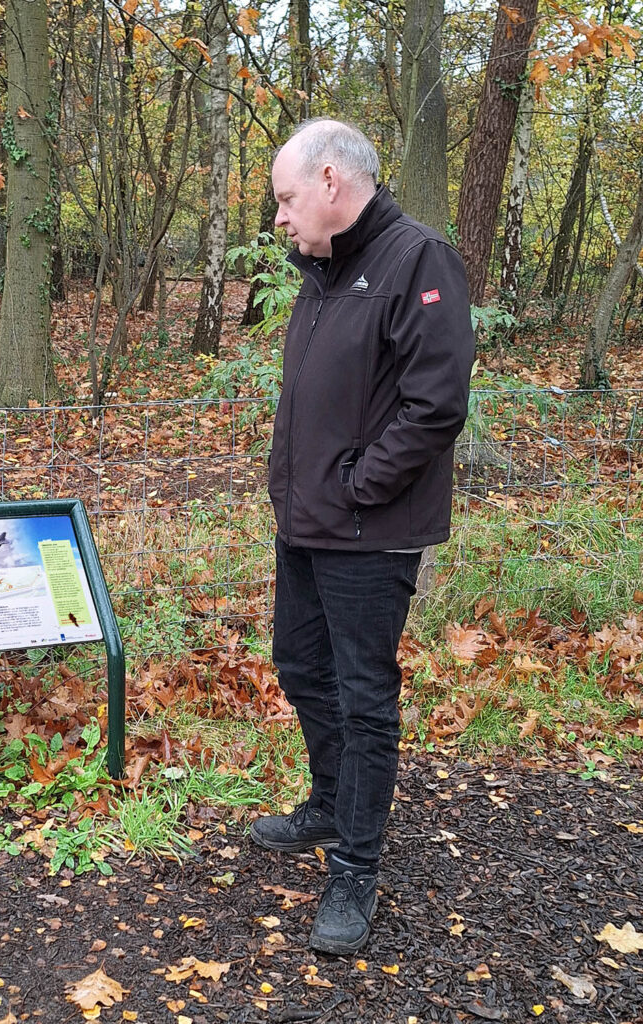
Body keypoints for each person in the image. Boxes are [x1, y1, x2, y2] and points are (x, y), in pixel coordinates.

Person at [250, 119, 475, 955]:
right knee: (302, 667)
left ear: (333, 181)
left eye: (286, 197)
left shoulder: (419, 261)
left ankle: (356, 867)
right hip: (305, 521)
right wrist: (298, 487)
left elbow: (435, 406)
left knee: (363, 696)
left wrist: (356, 486)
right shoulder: (321, 270)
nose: (280, 217)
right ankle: (328, 801)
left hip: (368, 531)